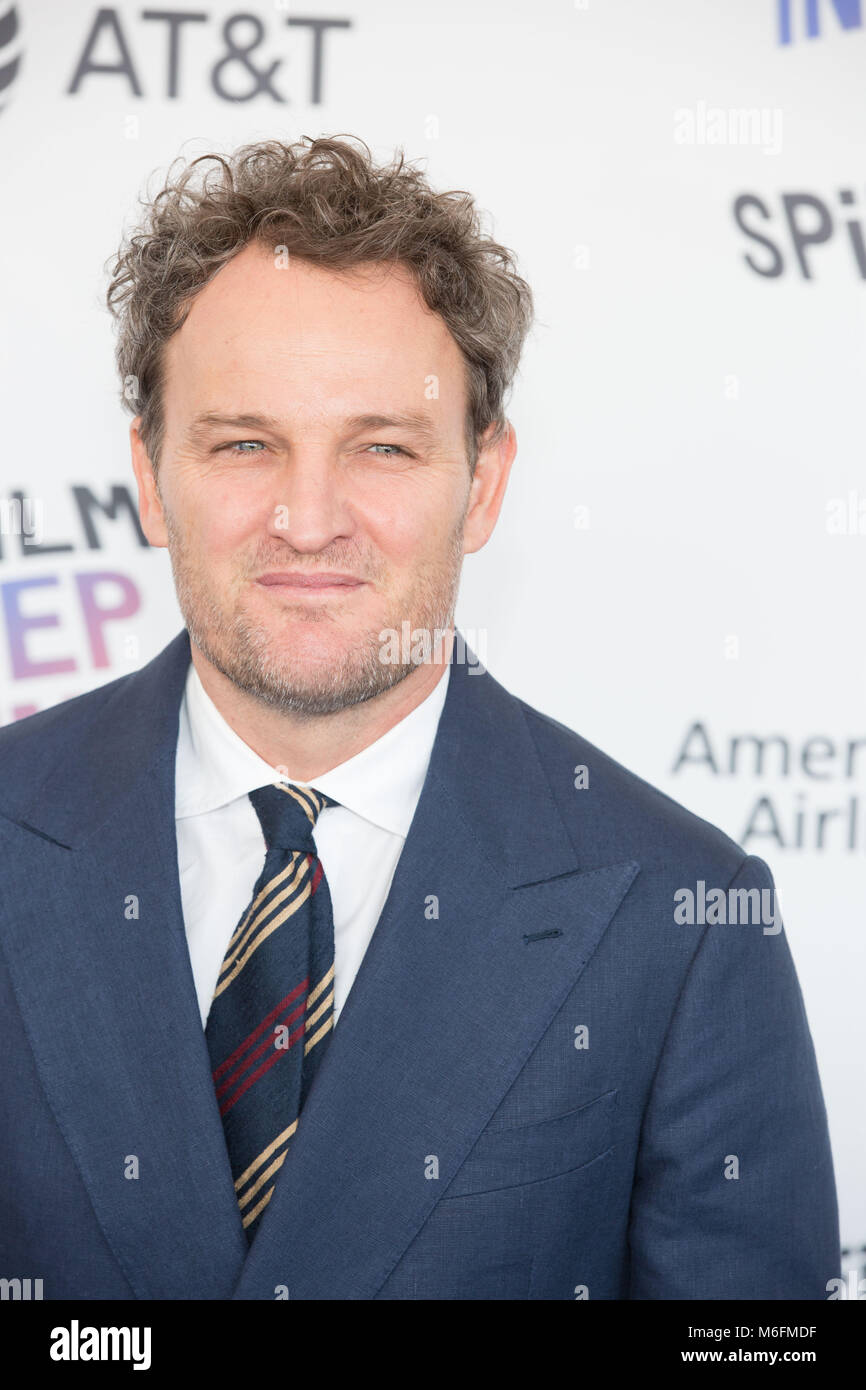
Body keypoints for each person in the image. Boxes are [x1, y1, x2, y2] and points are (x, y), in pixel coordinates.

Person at [0, 135, 839, 1300]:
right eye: (245, 443)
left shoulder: (681, 917)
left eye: (380, 448)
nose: (306, 518)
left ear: (482, 483)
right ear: (147, 474)